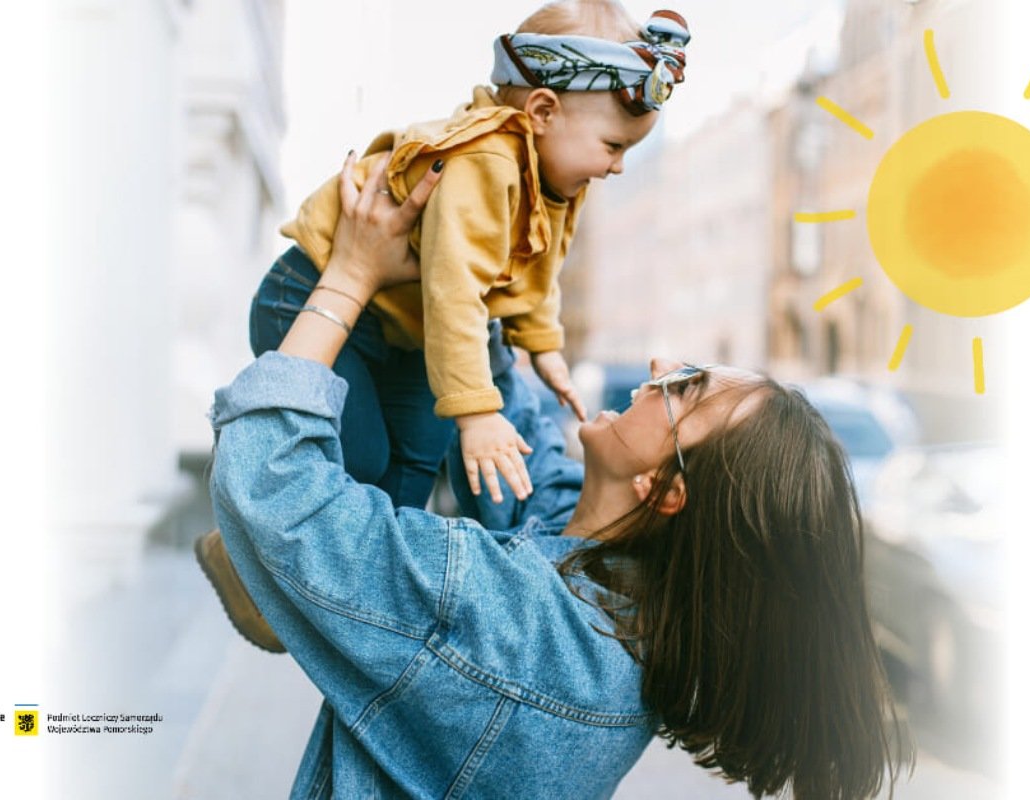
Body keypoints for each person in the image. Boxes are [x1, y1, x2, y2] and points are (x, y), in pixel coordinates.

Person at [201, 150, 908, 799]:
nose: (662, 366)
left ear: (665, 490)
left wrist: (350, 276)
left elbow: (275, 486)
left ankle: (283, 600)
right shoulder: (615, 588)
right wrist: (467, 253)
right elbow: (522, 439)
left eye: (687, 388)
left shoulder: (517, 624)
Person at [248, 0, 690, 509]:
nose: (617, 168)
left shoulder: (550, 177)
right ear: (542, 112)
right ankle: (264, 540)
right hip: (309, 296)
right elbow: (454, 291)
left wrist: (542, 345)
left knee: (419, 450)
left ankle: (376, 573)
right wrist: (478, 413)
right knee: (364, 457)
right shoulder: (484, 161)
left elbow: (538, 266)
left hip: (407, 331)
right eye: (614, 146)